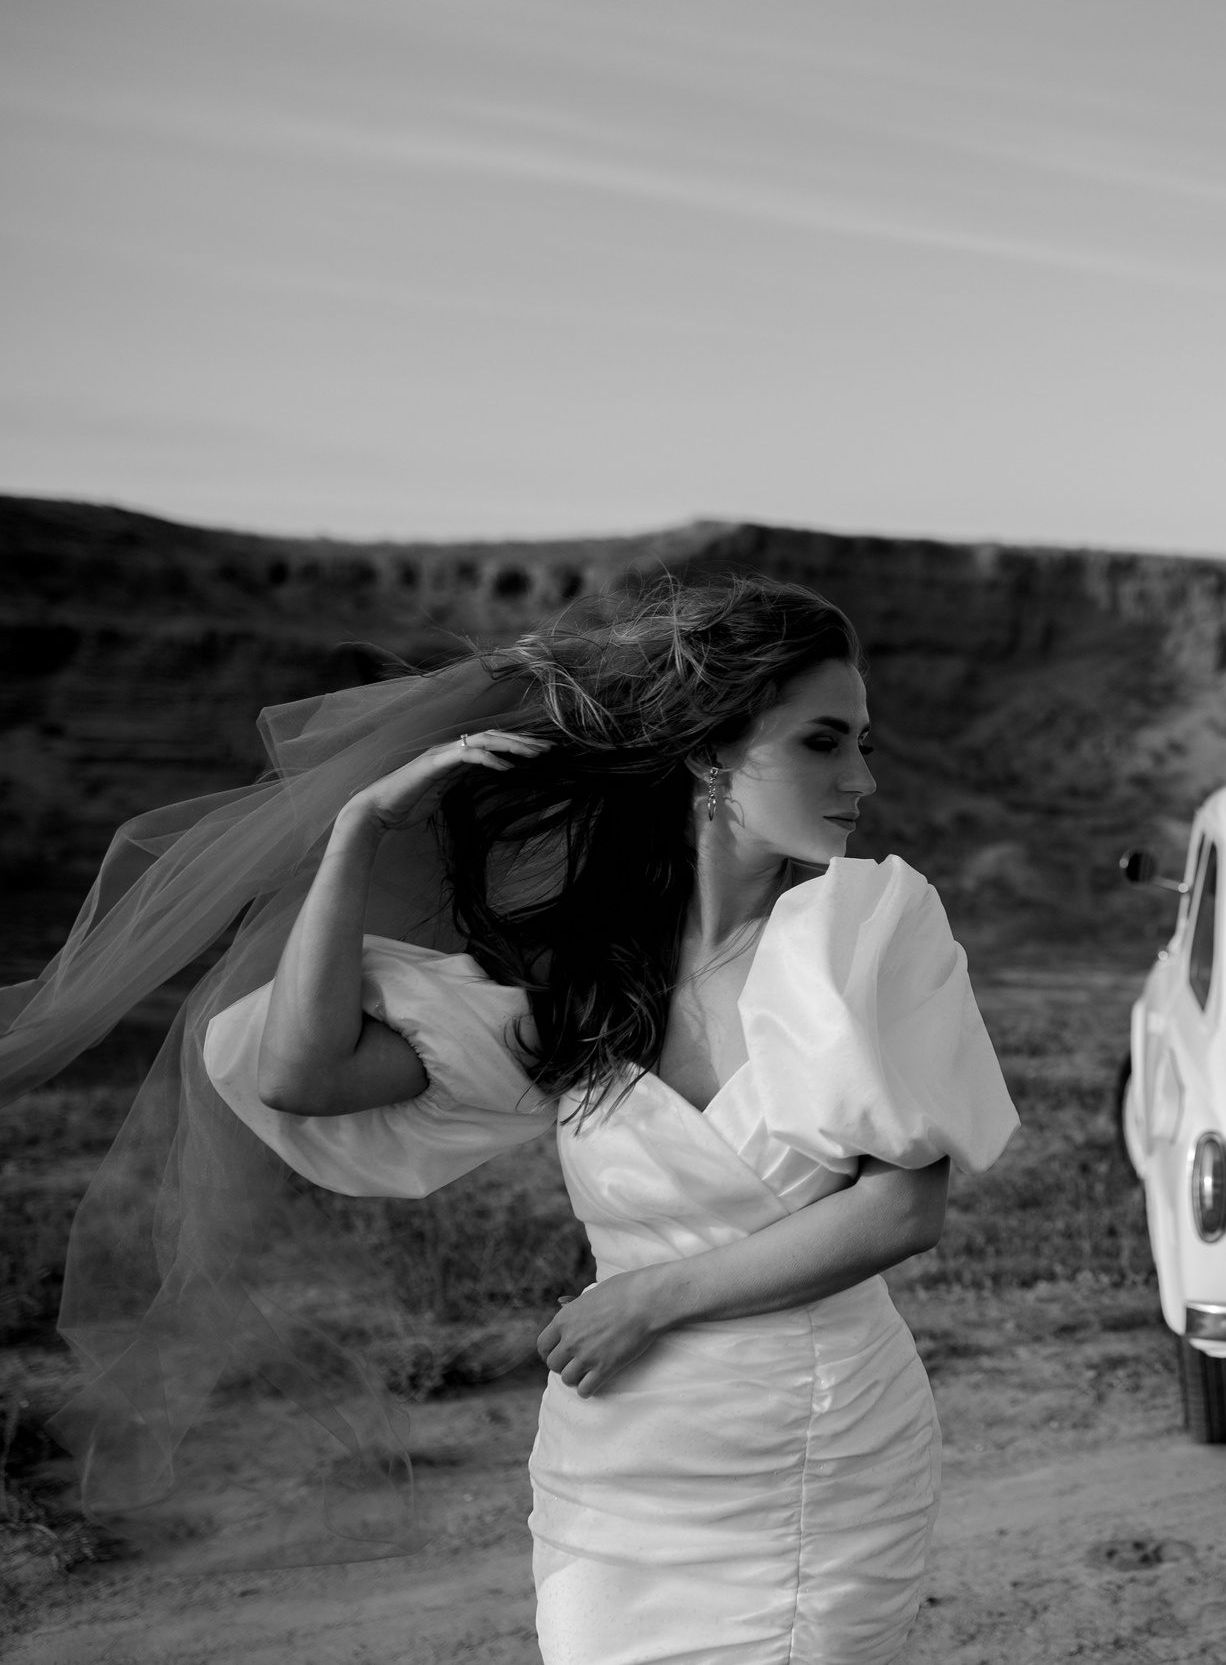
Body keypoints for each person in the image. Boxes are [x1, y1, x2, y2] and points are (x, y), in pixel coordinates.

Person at [5, 575, 1015, 1664]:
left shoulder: (867, 929)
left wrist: (650, 1299)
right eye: (823, 741)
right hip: (617, 1458)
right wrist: (357, 831)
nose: (861, 777)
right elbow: (304, 1073)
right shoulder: (584, 978)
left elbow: (903, 1211)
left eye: (864, 743)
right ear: (706, 751)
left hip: (819, 1436)